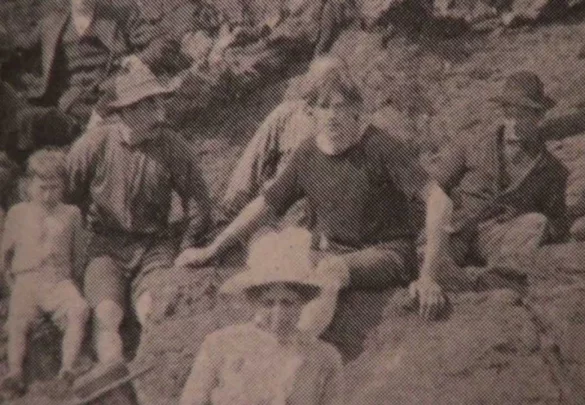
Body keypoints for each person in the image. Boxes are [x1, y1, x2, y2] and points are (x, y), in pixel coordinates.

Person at [176, 56, 449, 331]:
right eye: (324, 107)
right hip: (330, 250)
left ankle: (298, 346)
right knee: (270, 252)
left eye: (341, 107)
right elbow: (265, 204)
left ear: (356, 110)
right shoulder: (307, 153)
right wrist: (213, 248)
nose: (332, 115)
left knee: (329, 271)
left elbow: (439, 200)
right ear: (311, 112)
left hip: (385, 253)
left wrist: (429, 275)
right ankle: (260, 333)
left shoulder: (380, 147)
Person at [65, 59, 211, 366]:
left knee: (154, 310)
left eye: (158, 102)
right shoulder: (95, 143)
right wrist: (74, 245)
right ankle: (115, 379)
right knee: (106, 316)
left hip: (153, 247)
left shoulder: (171, 145)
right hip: (105, 247)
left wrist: (186, 247)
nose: (158, 111)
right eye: (147, 105)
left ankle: (158, 376)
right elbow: (66, 194)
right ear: (126, 112)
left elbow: (198, 202)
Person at [179, 228, 343, 405]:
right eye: (268, 303)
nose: (278, 313)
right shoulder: (219, 345)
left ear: (303, 302)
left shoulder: (324, 358)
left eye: (288, 302)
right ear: (253, 301)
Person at [427, 71, 569, 268]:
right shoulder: (472, 142)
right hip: (458, 230)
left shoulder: (552, 171)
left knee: (536, 223)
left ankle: (498, 275)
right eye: (510, 114)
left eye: (523, 115)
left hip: (499, 238)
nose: (515, 123)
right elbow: (435, 187)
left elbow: (557, 222)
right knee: (431, 262)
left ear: (539, 116)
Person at [0, 150, 90, 399]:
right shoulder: (18, 213)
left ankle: (68, 368)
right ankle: (15, 374)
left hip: (58, 280)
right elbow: (4, 256)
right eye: (42, 188)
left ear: (64, 187)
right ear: (28, 186)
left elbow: (79, 255)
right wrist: (10, 288)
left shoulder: (71, 214)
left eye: (55, 188)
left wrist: (74, 283)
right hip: (26, 280)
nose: (49, 195)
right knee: (17, 321)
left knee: (79, 309)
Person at [10, 0, 165, 129]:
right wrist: (30, 85)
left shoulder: (121, 15)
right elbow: (17, 57)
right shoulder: (50, 24)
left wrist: (138, 61)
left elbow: (161, 43)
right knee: (27, 123)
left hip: (113, 101)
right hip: (67, 109)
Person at [219, 57, 338, 220]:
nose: (306, 79)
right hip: (275, 205)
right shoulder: (287, 114)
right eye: (309, 73)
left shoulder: (338, 122)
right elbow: (254, 158)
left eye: (313, 76)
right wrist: (234, 203)